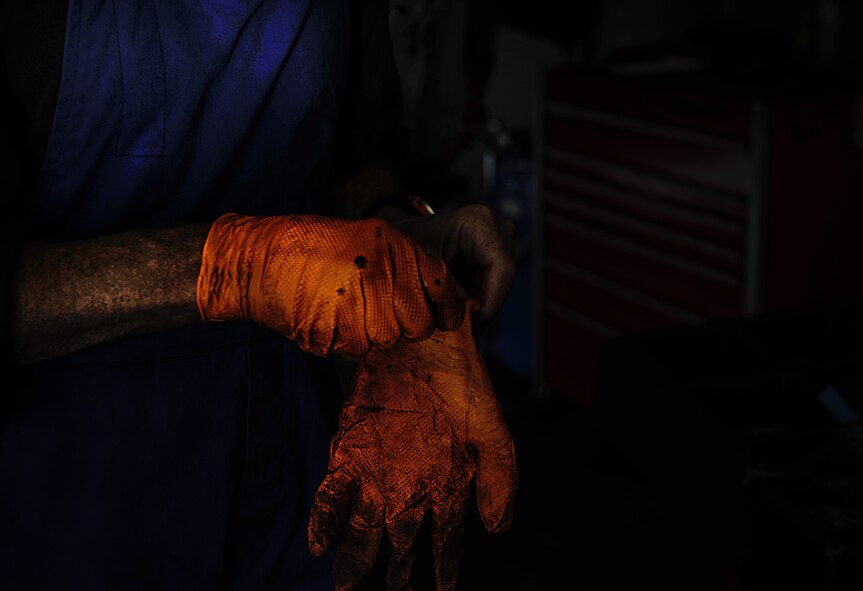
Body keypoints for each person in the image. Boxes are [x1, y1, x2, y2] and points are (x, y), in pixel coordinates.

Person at [0, 1, 517, 589]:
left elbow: (355, 161)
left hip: (288, 452)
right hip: (75, 480)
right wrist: (237, 268)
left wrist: (401, 237)